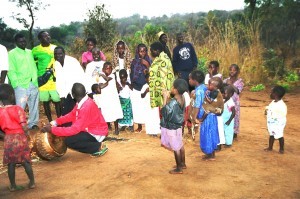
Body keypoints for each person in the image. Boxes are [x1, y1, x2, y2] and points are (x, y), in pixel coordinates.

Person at [41, 83, 108, 157]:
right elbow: (71, 115)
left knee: (69, 141)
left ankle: (97, 147)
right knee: (67, 132)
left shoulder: (85, 106)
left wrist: (52, 130)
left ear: (73, 94)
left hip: (96, 132)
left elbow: (74, 129)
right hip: (91, 129)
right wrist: (54, 123)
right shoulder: (83, 101)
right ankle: (95, 144)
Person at [0, 84, 35, 191]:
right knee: (26, 161)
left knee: (11, 163)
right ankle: (32, 182)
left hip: (9, 139)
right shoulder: (18, 109)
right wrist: (28, 134)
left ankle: (13, 186)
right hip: (20, 138)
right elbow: (24, 125)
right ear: (12, 96)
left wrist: (5, 136)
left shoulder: (1, 111)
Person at [8, 33, 39, 130]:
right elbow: (11, 70)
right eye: (20, 42)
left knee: (34, 105)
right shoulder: (12, 53)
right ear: (16, 42)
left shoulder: (29, 52)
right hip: (21, 85)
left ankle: (33, 123)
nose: (23, 43)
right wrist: (16, 84)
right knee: (20, 107)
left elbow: (34, 67)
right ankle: (19, 125)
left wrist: (35, 81)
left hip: (33, 83)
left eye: (24, 41)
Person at [189, 70, 219, 161]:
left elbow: (198, 105)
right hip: (211, 114)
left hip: (206, 116)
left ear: (195, 80)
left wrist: (194, 117)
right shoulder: (204, 87)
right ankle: (211, 153)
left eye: (190, 79)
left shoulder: (199, 91)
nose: (189, 80)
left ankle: (210, 155)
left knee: (207, 134)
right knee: (211, 133)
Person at [32, 31, 61, 122]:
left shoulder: (55, 48)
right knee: (46, 102)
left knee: (57, 101)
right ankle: (50, 121)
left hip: (54, 79)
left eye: (48, 35)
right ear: (40, 39)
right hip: (42, 80)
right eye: (45, 36)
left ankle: (60, 121)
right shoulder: (35, 50)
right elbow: (33, 64)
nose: (48, 37)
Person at [161, 78, 188, 174]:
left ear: (176, 90)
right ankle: (183, 163)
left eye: (173, 86)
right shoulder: (182, 98)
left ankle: (178, 168)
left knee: (176, 147)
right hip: (178, 125)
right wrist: (169, 97)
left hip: (172, 127)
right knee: (180, 144)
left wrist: (164, 98)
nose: (171, 88)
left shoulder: (173, 102)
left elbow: (164, 112)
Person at [54, 46, 85, 116]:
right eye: (55, 54)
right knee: (67, 114)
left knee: (79, 113)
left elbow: (80, 76)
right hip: (66, 93)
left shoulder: (72, 61)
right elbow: (59, 81)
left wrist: (79, 93)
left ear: (64, 53)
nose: (57, 56)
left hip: (77, 91)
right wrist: (62, 96)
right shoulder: (56, 64)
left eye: (60, 54)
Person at [130, 44, 152, 132]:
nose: (142, 53)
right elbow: (131, 73)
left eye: (144, 51)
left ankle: (148, 124)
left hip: (145, 86)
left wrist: (147, 65)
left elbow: (152, 74)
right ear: (137, 52)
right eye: (140, 51)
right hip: (136, 86)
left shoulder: (149, 61)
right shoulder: (134, 62)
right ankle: (139, 126)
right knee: (137, 107)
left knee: (146, 106)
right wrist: (131, 83)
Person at [200, 77, 224, 151]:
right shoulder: (214, 91)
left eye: (209, 84)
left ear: (215, 86)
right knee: (207, 107)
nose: (208, 85)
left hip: (219, 110)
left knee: (208, 108)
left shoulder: (216, 92)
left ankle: (202, 119)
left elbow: (210, 101)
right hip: (216, 107)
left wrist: (205, 95)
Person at [98, 62, 123, 135]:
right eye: (106, 69)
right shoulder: (100, 78)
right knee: (106, 114)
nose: (108, 70)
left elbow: (107, 79)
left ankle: (116, 129)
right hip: (105, 99)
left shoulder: (112, 75)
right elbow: (100, 87)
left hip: (113, 99)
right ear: (103, 69)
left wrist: (102, 75)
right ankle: (106, 129)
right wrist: (105, 83)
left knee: (115, 114)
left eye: (110, 69)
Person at [149, 41, 174, 108]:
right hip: (160, 91)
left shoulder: (163, 60)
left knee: (164, 110)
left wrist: (164, 94)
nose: (151, 53)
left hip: (163, 92)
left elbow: (163, 77)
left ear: (157, 51)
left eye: (151, 51)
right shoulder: (159, 59)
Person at [223, 64, 244, 140]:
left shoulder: (240, 82)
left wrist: (230, 84)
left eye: (234, 70)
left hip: (235, 103)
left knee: (235, 117)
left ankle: (234, 133)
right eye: (230, 70)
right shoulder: (225, 80)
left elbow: (238, 91)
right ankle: (226, 131)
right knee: (226, 115)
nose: (232, 72)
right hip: (226, 102)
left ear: (238, 72)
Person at [264, 86, 287, 154]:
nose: (270, 93)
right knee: (271, 134)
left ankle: (281, 148)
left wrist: (272, 115)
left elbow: (282, 115)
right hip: (272, 122)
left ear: (276, 94)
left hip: (278, 123)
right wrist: (267, 111)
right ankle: (270, 147)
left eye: (272, 92)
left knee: (279, 135)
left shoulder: (282, 105)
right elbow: (270, 109)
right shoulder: (273, 102)